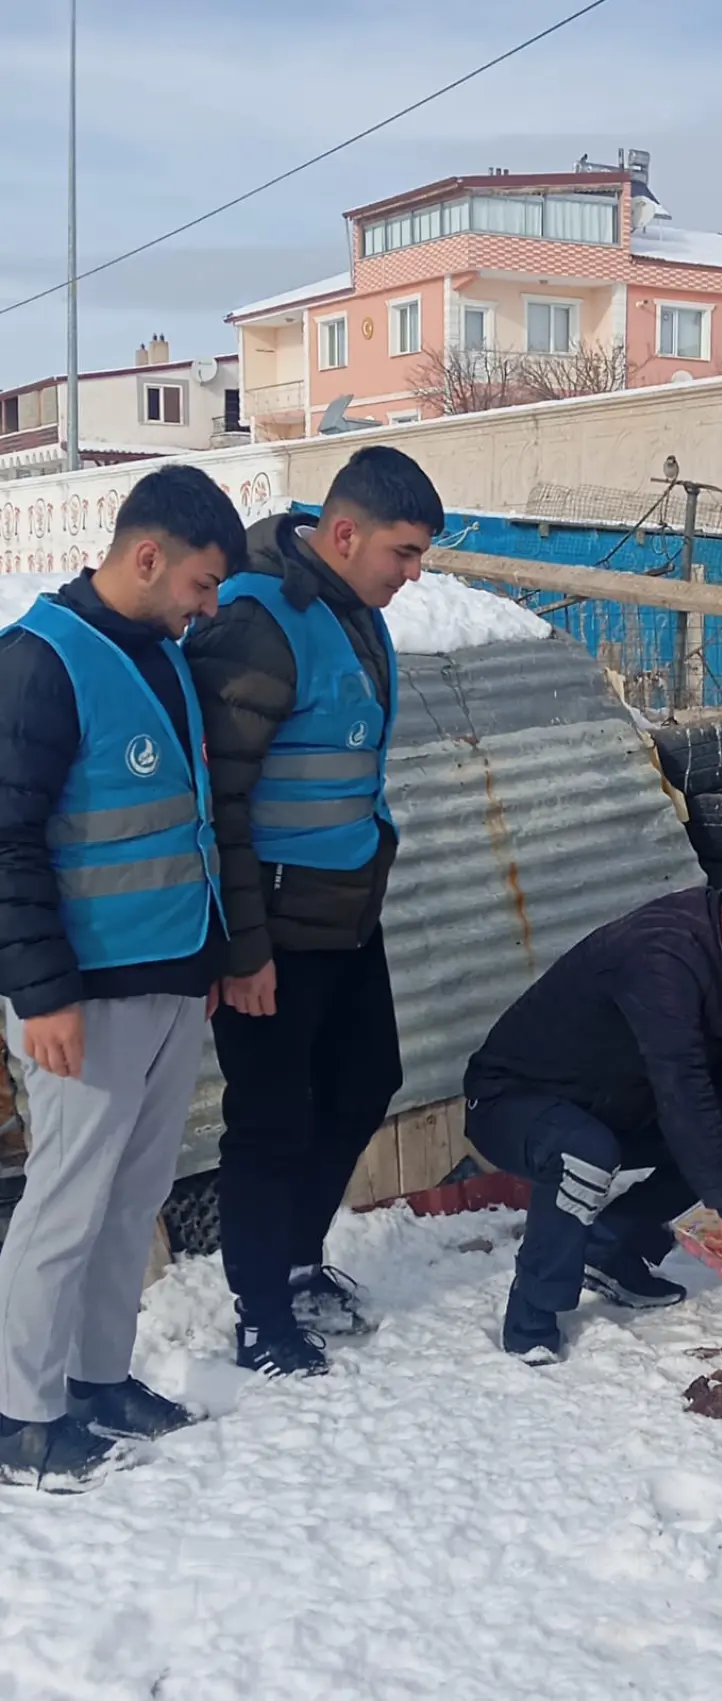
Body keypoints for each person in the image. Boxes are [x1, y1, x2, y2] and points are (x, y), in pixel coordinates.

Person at [0, 465, 245, 1493]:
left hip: (166, 982)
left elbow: (181, 826)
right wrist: (43, 993)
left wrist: (214, 960)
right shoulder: (39, 661)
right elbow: (7, 841)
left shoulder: (159, 653)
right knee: (64, 1205)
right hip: (84, 999)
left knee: (128, 1197)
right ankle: (22, 1415)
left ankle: (100, 1381)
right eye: (199, 583)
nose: (208, 606)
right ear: (146, 557)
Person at [184, 445, 444, 1379]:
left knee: (365, 1080)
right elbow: (217, 801)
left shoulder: (355, 612)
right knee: (271, 1119)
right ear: (344, 533)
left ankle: (294, 1259)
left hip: (344, 918)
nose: (412, 575)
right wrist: (241, 948)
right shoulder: (260, 620)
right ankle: (259, 1313)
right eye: (402, 553)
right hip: (275, 931)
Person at [464, 862, 722, 1363]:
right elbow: (680, 1086)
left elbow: (717, 1090)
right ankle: (532, 1317)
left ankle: (611, 1246)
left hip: (611, 1102)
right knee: (586, 1153)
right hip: (513, 1102)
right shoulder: (663, 956)